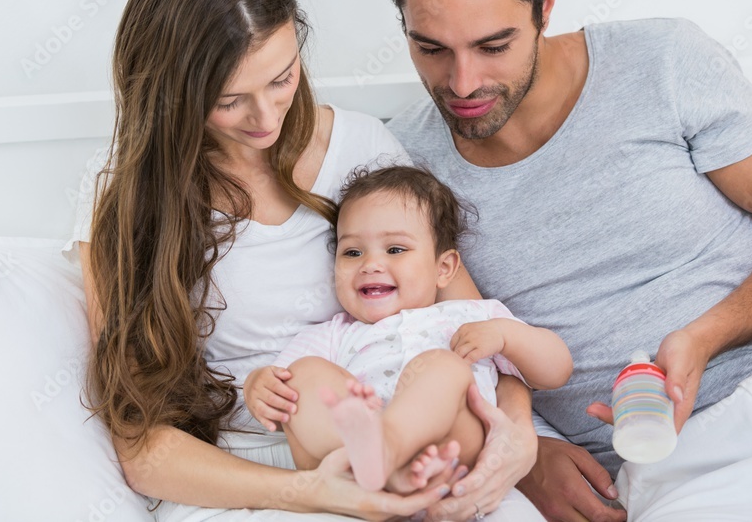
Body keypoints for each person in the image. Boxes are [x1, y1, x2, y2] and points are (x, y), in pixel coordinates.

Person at [380, 0, 752, 522]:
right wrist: (530, 451)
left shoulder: (663, 61)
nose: (462, 84)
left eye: (493, 46)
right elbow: (452, 342)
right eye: (430, 49)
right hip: (669, 461)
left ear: (546, 4)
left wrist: (706, 337)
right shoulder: (404, 167)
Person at [63, 0, 543, 521]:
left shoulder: (363, 150)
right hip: (242, 477)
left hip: (411, 441)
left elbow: (471, 327)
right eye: (228, 100)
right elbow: (141, 448)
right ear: (171, 94)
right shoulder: (124, 193)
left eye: (282, 78)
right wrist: (310, 491)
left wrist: (518, 437)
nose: (264, 118)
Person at [245, 165, 572, 493]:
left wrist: (506, 336)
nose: (370, 264)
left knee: (442, 366)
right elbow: (284, 385)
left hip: (452, 450)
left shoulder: (474, 316)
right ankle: (380, 466)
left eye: (395, 250)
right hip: (351, 466)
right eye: (352, 252)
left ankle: (387, 454)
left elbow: (556, 370)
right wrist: (258, 384)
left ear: (443, 269)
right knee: (304, 374)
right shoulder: (336, 333)